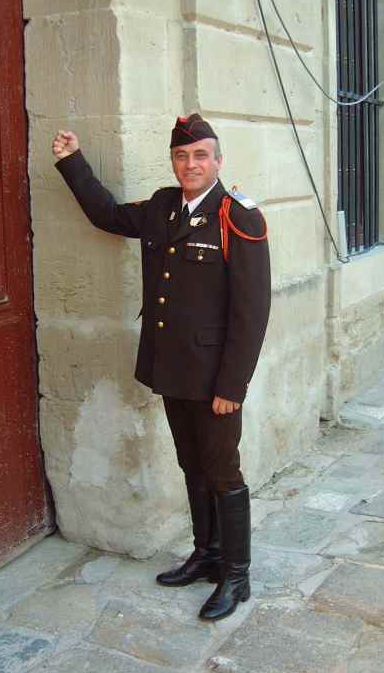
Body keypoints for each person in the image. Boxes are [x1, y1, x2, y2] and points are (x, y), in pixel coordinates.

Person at [52, 114, 270, 621]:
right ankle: (207, 554)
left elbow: (252, 311)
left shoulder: (238, 217)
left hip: (215, 379)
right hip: (174, 369)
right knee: (192, 465)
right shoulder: (162, 207)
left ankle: (237, 575)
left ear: (218, 161)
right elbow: (107, 215)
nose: (190, 164)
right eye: (181, 156)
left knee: (223, 470)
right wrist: (72, 162)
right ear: (173, 161)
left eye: (200, 156)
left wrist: (232, 385)